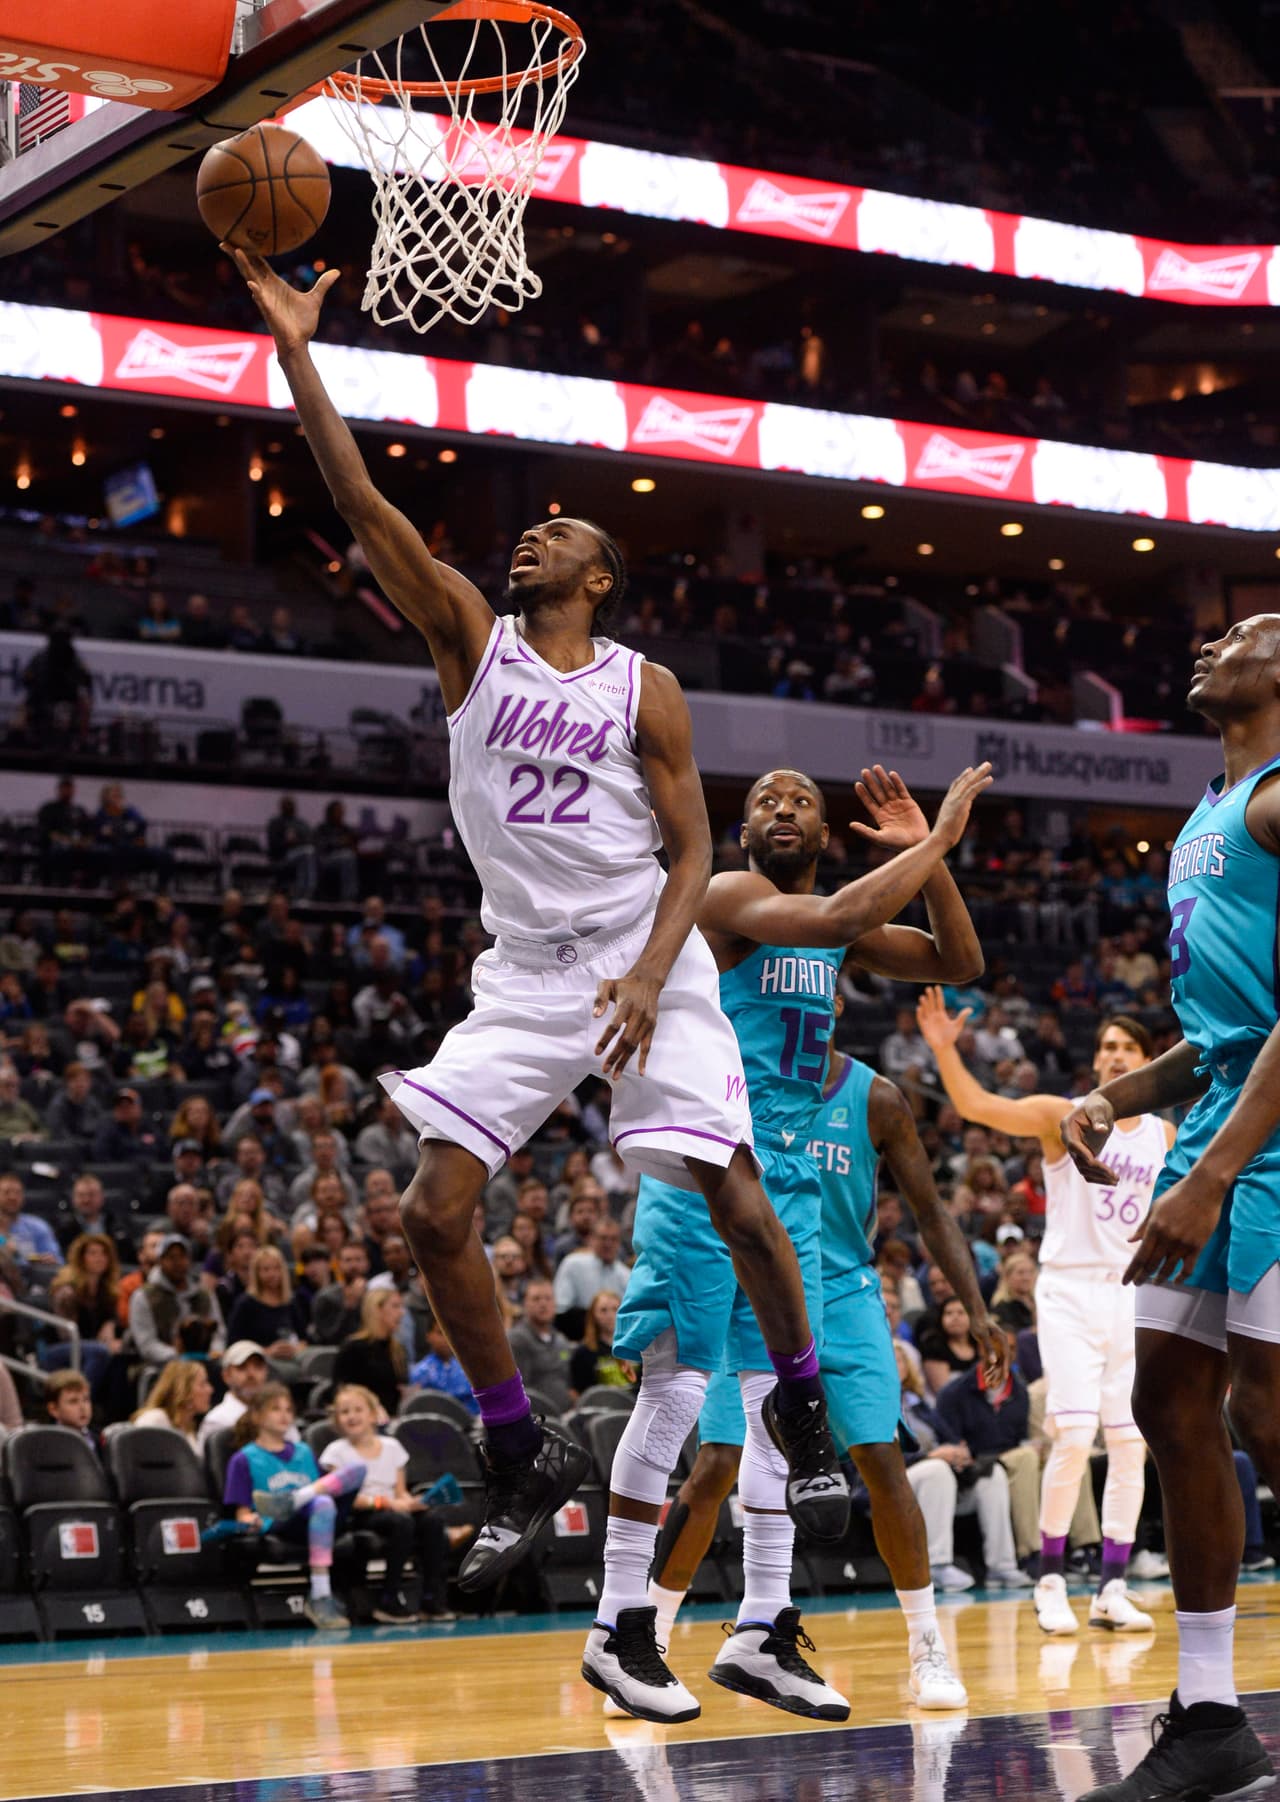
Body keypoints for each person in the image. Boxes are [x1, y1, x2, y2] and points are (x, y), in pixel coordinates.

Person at [224, 242, 929, 1595]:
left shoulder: (642, 685)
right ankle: (518, 1445)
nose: (532, 536)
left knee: (734, 1192)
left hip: (637, 951)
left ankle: (797, 1398)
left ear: (601, 577)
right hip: (527, 972)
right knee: (433, 1209)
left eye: (562, 535)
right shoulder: (469, 638)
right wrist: (299, 353)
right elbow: (362, 505)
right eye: (529, 530)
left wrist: (656, 969)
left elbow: (694, 845)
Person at [589, 761, 990, 1721]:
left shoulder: (839, 932)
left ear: (824, 831)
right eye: (764, 800)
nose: (781, 809)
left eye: (801, 801)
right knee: (678, 1398)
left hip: (791, 1192)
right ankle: (620, 1627)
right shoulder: (731, 897)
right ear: (742, 833)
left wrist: (927, 860)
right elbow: (834, 915)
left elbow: (958, 962)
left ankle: (761, 1629)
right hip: (707, 1164)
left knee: (786, 1407)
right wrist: (939, 838)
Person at [1061, 617, 1280, 1801]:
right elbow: (1214, 1038)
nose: (1212, 639)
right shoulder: (1204, 815)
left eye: (1243, 631)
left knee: (1266, 1411)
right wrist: (1111, 1096)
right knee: (1165, 1396)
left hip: (1268, 1143)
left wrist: (1209, 1175)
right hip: (1223, 1121)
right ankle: (1208, 1718)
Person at [626, 1035, 1003, 1721]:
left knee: (882, 1459)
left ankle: (927, 1646)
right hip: (756, 1284)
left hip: (844, 1288)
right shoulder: (741, 1081)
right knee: (715, 1464)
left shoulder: (876, 1098)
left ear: (832, 1001)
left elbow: (930, 1210)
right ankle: (645, 1640)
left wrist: (977, 1310)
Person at [919, 989, 1172, 1638]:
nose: (1116, 1056)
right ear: (1095, 1061)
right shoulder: (1063, 1115)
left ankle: (1112, 1588)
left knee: (1129, 1443)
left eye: (1128, 1047)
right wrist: (945, 1050)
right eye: (1107, 1047)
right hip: (1067, 1291)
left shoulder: (1166, 1136)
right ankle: (1050, 1580)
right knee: (1074, 1434)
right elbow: (979, 1105)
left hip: (1131, 1293)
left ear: (1148, 1061)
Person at [224, 1383, 364, 1630]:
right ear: (256, 1416)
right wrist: (252, 1520)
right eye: (275, 1409)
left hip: (322, 1517)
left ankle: (294, 1499)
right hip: (284, 1524)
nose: (284, 1415)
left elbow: (329, 1487)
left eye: (289, 1409)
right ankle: (320, 1595)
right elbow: (242, 1514)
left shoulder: (304, 1451)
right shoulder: (243, 1459)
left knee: (358, 1469)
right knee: (322, 1502)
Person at [318, 1384, 443, 1623]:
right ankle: (389, 1598)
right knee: (401, 1522)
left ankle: (431, 1597)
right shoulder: (336, 1452)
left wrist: (415, 1502)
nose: (352, 1416)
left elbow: (400, 1492)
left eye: (358, 1410)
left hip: (393, 1509)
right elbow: (344, 1498)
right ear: (336, 1420)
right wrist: (386, 1503)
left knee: (432, 1520)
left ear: (373, 1414)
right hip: (360, 1512)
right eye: (344, 1412)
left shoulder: (392, 1447)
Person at [332, 1287, 408, 1420]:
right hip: (361, 1420)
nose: (401, 1313)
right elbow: (341, 1391)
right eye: (395, 1306)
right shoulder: (353, 1348)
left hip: (393, 1418)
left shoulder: (398, 1349)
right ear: (377, 1310)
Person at [225, 1247, 304, 1370]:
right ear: (257, 1273)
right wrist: (266, 1351)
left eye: (276, 1268)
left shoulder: (291, 1301)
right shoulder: (245, 1303)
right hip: (257, 1363)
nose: (272, 1274)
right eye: (266, 1269)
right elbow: (234, 1343)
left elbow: (304, 1338)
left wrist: (295, 1348)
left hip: (292, 1361)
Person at [507, 1278, 575, 1414]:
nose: (543, 1304)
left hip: (567, 1413)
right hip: (537, 1415)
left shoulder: (561, 1340)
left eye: (548, 1298)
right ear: (525, 1304)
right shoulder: (517, 1340)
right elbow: (519, 1389)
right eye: (536, 1299)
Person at [197, 1341, 271, 1449]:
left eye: (258, 1366)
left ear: (266, 1373)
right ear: (226, 1375)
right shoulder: (217, 1420)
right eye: (242, 1367)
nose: (251, 1374)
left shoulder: (280, 1413)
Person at [133, 1358, 214, 1452]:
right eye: (202, 1384)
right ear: (183, 1390)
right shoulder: (153, 1420)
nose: (210, 1390)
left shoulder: (188, 1427)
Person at [409, 1312, 478, 1413]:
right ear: (428, 1336)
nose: (446, 1339)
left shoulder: (469, 1369)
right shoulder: (420, 1372)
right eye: (440, 1333)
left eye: (450, 1333)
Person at [570, 1290, 633, 1394]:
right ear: (593, 1315)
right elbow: (578, 1392)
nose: (610, 1315)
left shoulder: (636, 1347)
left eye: (615, 1309)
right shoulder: (583, 1353)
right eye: (603, 1310)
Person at [45, 1368, 97, 1446]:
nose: (83, 1407)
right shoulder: (46, 1444)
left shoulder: (100, 1440)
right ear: (53, 1409)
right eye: (73, 1401)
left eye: (86, 1399)